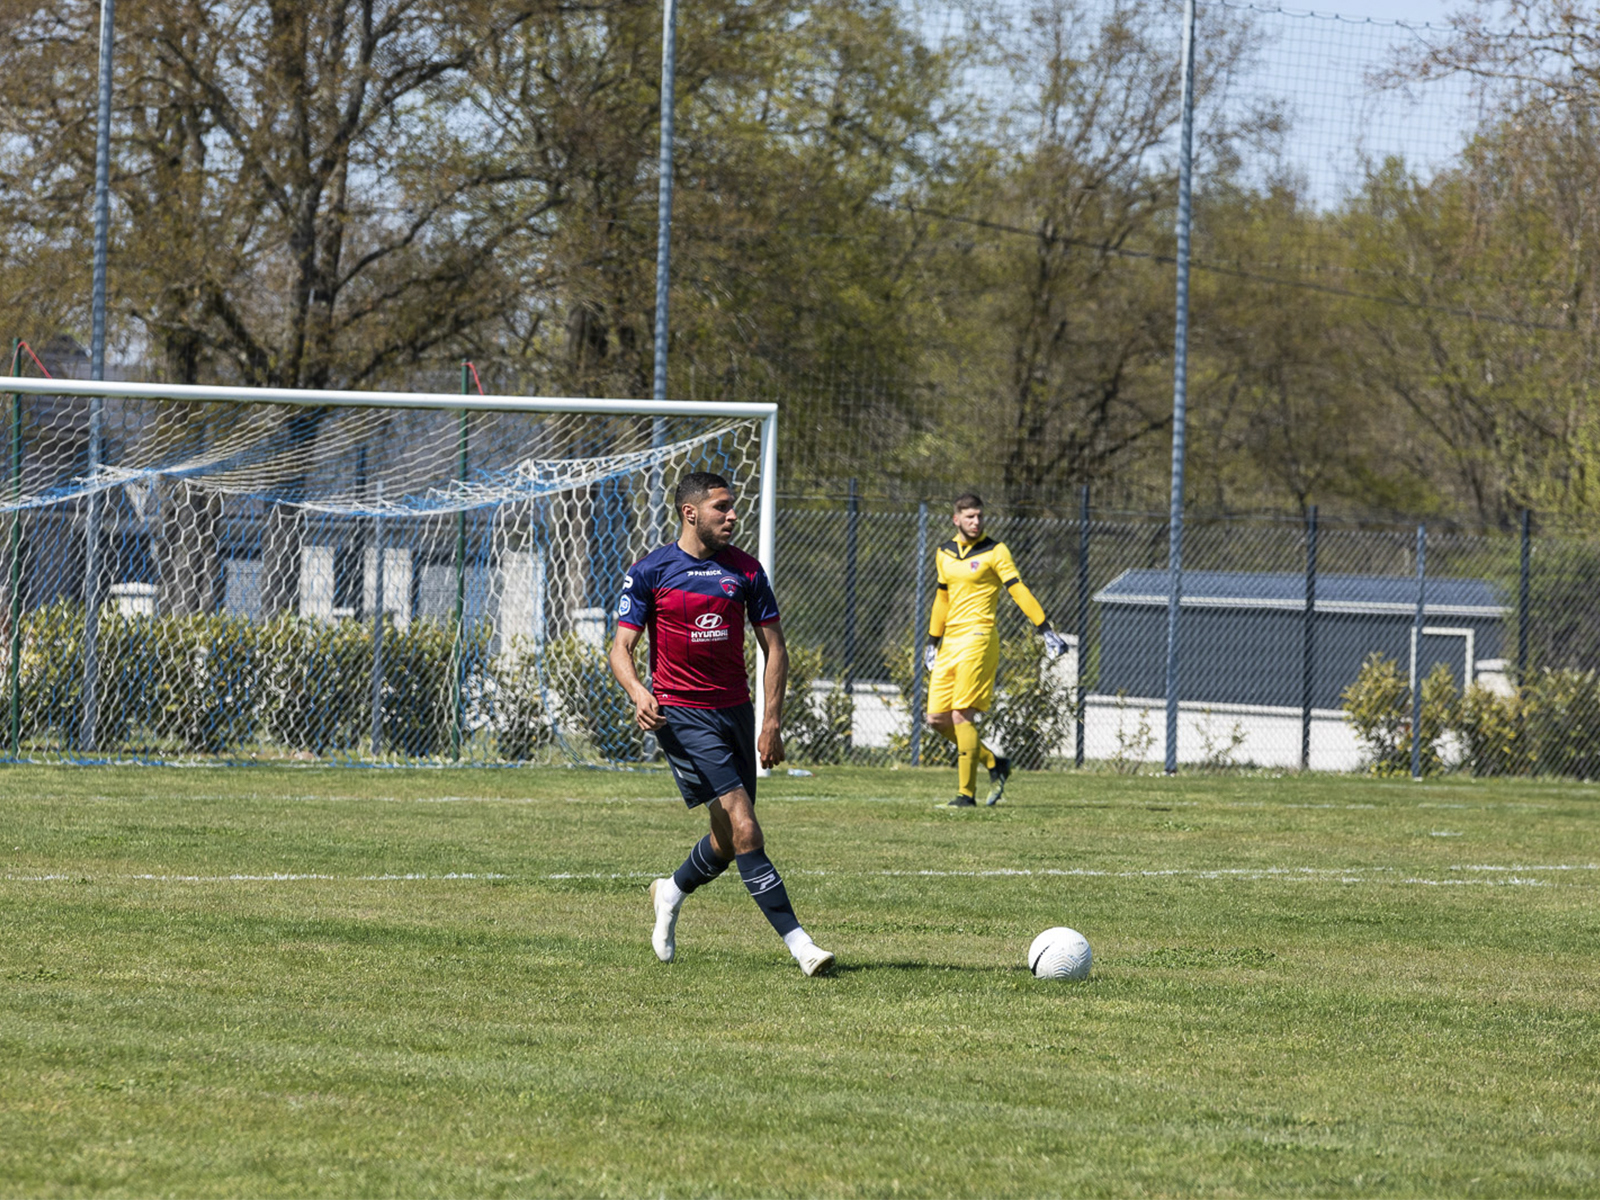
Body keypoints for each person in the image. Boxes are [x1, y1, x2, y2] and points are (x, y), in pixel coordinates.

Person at [608, 471, 835, 976]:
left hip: (735, 710)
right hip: (681, 715)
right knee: (746, 824)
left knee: (727, 841)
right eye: (722, 508)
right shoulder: (651, 571)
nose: (733, 516)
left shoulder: (747, 571)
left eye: (732, 507)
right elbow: (620, 648)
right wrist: (638, 691)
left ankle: (670, 890)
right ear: (691, 513)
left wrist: (770, 721)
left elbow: (775, 647)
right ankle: (803, 947)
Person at [924, 491, 1068, 807]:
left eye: (979, 516)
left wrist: (1045, 629)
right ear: (956, 519)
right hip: (949, 642)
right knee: (936, 718)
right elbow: (942, 599)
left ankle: (965, 795)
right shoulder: (944, 553)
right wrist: (932, 641)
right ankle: (992, 762)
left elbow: (1017, 590)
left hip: (979, 638)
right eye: (970, 517)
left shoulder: (995, 550)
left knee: (962, 715)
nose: (976, 522)